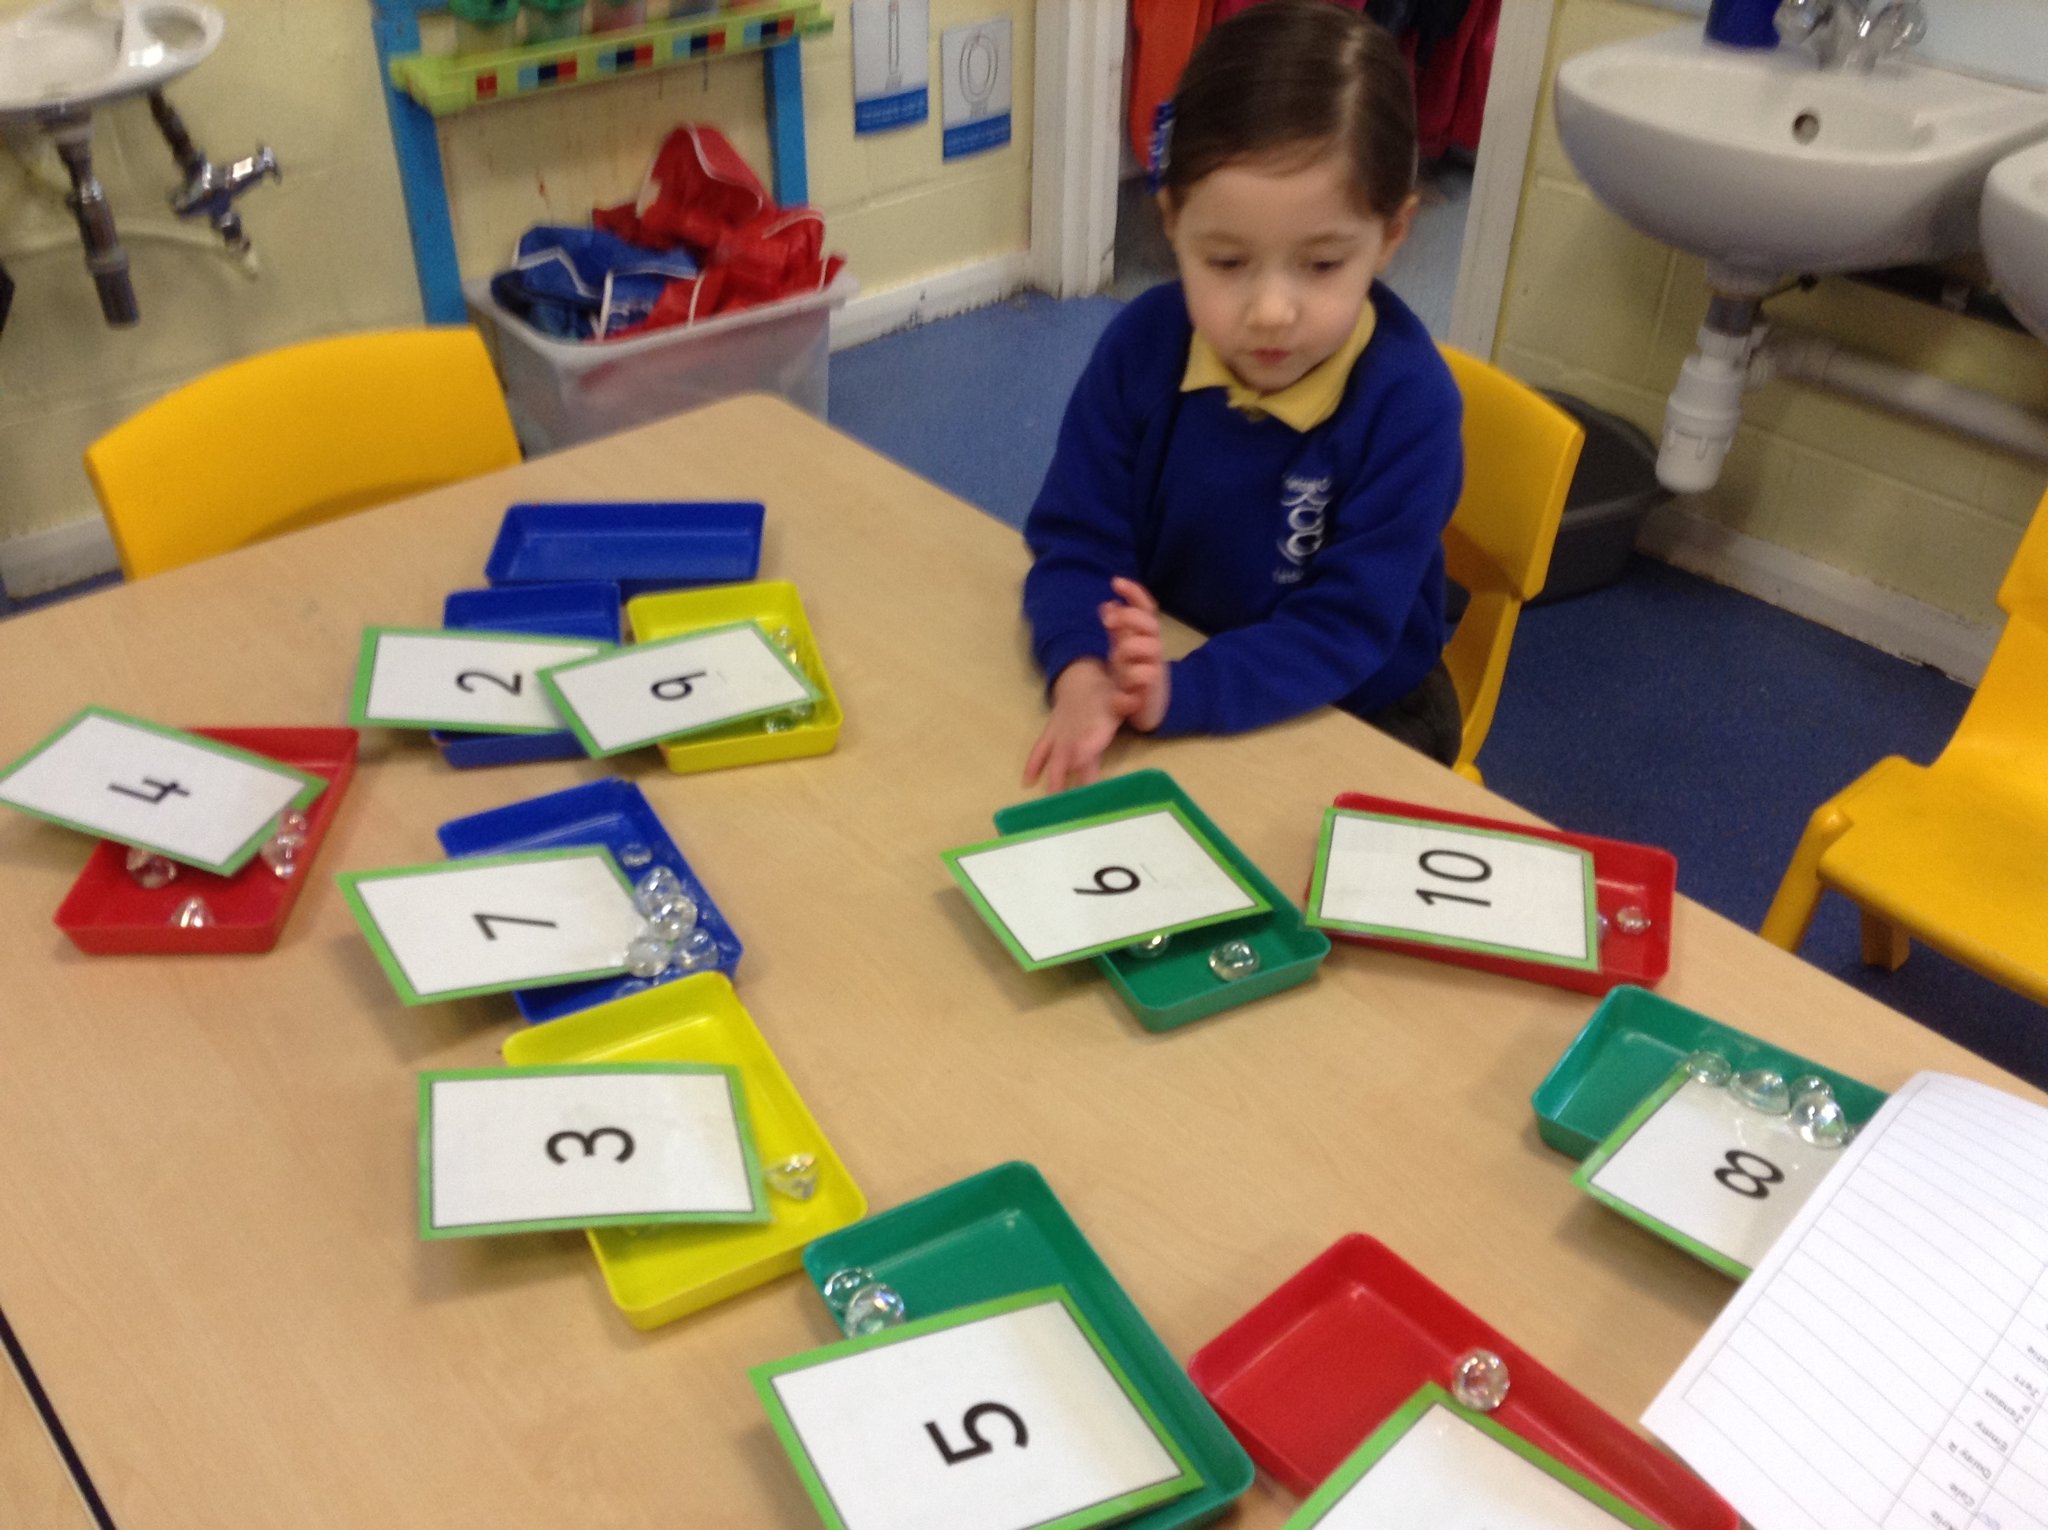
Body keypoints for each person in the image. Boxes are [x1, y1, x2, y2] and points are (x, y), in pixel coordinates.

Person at [1021, 0, 1465, 792]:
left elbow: (1342, 629)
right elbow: (1079, 543)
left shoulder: (1409, 406)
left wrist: (1180, 692)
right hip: (1176, 669)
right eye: (1226, 262)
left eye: (1323, 265)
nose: (1270, 312)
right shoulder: (1142, 350)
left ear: (1391, 237)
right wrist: (1086, 668)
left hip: (1365, 711)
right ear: (1173, 224)